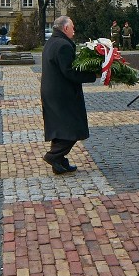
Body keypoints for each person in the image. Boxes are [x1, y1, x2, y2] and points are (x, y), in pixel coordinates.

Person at [41, 16, 99, 174]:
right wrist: (93, 75)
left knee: (60, 128)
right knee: (73, 127)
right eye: (72, 27)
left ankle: (60, 162)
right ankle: (53, 156)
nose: (74, 30)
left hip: (53, 91)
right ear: (65, 28)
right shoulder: (62, 45)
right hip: (62, 93)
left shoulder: (53, 41)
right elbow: (70, 71)